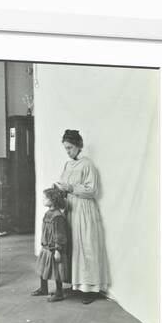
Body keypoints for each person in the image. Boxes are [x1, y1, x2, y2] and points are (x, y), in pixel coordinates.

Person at [55, 129, 110, 304]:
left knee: (86, 247)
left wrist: (70, 188)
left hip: (84, 209)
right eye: (65, 148)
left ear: (79, 146)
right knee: (73, 247)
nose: (68, 151)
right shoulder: (68, 165)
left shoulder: (88, 165)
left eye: (70, 147)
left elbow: (93, 190)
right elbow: (64, 184)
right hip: (71, 208)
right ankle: (76, 284)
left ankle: (90, 289)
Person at [31, 186, 70, 302]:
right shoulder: (49, 213)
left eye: (45, 198)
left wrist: (58, 250)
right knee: (43, 268)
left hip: (54, 248)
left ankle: (59, 292)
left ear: (52, 200)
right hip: (46, 247)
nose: (43, 200)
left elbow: (60, 234)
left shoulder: (57, 216)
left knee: (57, 271)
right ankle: (44, 288)